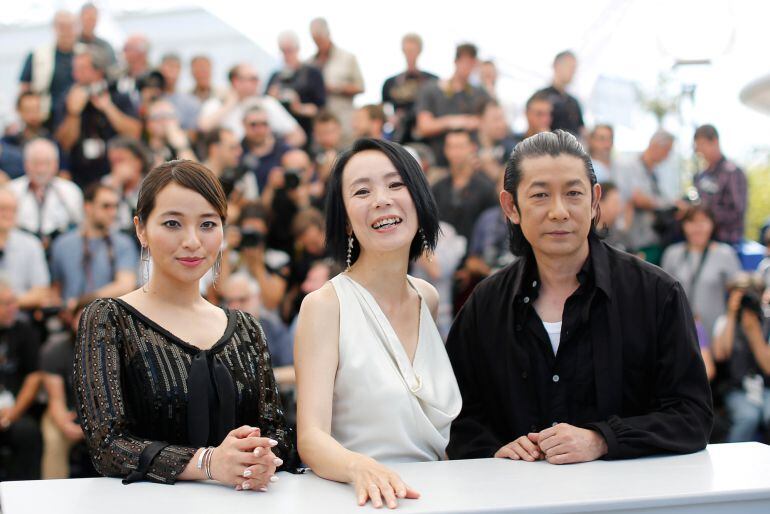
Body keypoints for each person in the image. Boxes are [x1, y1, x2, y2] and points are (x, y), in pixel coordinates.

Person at [446, 130, 712, 462]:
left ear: (594, 201)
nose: (559, 211)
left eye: (573, 193)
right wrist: (494, 448)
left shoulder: (656, 294)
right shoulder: (485, 305)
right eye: (540, 195)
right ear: (511, 206)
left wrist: (603, 439)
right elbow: (456, 416)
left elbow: (691, 416)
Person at [74, 160, 294, 489]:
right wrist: (208, 462)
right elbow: (108, 446)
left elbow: (279, 435)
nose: (192, 241)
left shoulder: (246, 328)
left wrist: (260, 455)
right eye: (173, 223)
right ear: (141, 229)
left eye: (207, 224)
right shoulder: (108, 318)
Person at [295, 138, 462, 509]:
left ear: (418, 198)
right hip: (358, 499)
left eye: (395, 184)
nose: (382, 199)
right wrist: (360, 468)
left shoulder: (427, 298)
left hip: (433, 497)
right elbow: (310, 436)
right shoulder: (325, 305)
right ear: (346, 221)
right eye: (362, 191)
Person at [54, 44, 141, 188]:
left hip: (114, 171)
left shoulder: (118, 95)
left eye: (82, 69)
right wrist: (73, 113)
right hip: (79, 174)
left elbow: (134, 132)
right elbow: (64, 143)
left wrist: (108, 108)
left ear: (98, 71)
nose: (75, 75)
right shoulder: (68, 98)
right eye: (74, 69)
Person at [49, 183, 138, 308]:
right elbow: (55, 288)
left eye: (115, 206)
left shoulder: (123, 243)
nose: (113, 212)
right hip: (69, 320)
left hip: (108, 318)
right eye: (106, 206)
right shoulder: (62, 244)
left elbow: (125, 286)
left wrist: (82, 303)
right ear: (88, 207)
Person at [661, 205, 741, 338]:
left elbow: (737, 292)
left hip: (715, 333)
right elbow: (663, 294)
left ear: (712, 224)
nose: (697, 228)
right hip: (680, 329)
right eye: (692, 222)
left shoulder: (725, 254)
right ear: (684, 225)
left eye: (703, 221)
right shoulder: (672, 254)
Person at [711, 273, 770, 442]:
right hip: (737, 388)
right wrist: (731, 314)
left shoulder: (767, 321)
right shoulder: (724, 321)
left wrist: (754, 331)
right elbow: (721, 354)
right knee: (748, 417)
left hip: (766, 387)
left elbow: (768, 367)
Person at [415, 43, 490, 166]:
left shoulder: (480, 93)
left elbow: (490, 123)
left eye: (472, 63)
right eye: (465, 61)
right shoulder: (432, 89)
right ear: (456, 61)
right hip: (440, 163)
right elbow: (424, 126)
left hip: (472, 163)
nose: (468, 67)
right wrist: (455, 121)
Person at [198, 63, 306, 147]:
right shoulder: (217, 103)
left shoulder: (267, 103)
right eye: (253, 79)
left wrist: (273, 151)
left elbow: (298, 136)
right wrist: (229, 104)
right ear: (236, 81)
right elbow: (204, 127)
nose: (258, 83)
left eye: (257, 79)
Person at [0, 279, 44, 480]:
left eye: (14, 302)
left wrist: (14, 413)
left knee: (28, 433)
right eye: (7, 304)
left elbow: (34, 376)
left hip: (15, 410)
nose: (14, 308)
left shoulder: (24, 331)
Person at [9, 138, 83, 249]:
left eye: (47, 163)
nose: (41, 169)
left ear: (56, 164)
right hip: (20, 249)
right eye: (36, 163)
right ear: (25, 164)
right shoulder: (11, 191)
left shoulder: (70, 191)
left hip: (59, 248)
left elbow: (79, 226)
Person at [617, 130, 677, 264]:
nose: (668, 156)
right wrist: (666, 205)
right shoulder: (629, 165)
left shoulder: (655, 172)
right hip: (632, 239)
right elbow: (638, 198)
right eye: (667, 150)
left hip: (652, 236)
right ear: (655, 146)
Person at [431, 130, 497, 243]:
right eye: (451, 147)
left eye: (460, 146)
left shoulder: (486, 188)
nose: (456, 152)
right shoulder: (438, 187)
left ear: (472, 148)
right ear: (445, 150)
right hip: (444, 252)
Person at [308, 18, 364, 146]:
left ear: (328, 34)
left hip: (344, 123)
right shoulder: (310, 63)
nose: (318, 43)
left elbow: (360, 87)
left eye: (320, 39)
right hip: (319, 126)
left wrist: (335, 88)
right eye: (315, 40)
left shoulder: (347, 58)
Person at [267, 31, 326, 145]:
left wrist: (298, 107)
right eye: (283, 51)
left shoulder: (312, 73)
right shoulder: (275, 76)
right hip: (280, 137)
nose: (286, 55)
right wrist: (272, 97)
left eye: (289, 50)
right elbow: (265, 103)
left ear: (297, 49)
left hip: (307, 131)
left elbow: (320, 108)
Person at [19, 11, 77, 124]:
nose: (66, 31)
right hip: (45, 117)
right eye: (62, 26)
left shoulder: (85, 54)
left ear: (77, 28)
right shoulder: (37, 55)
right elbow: (24, 89)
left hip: (78, 116)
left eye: (70, 26)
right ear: (54, 28)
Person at [693, 124, 747, 245]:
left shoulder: (732, 172)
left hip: (727, 240)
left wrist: (707, 216)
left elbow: (738, 211)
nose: (700, 150)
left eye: (703, 144)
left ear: (715, 141)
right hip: (703, 240)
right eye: (697, 146)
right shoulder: (701, 175)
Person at [0, 187, 52, 310]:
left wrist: (6, 304)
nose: (8, 214)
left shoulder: (31, 244)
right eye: (2, 209)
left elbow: (41, 292)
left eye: (13, 210)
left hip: (19, 318)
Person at [381, 33, 437, 144]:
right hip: (399, 134)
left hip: (426, 136)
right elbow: (384, 108)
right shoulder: (390, 83)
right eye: (407, 50)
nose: (410, 54)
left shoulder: (432, 81)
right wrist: (391, 118)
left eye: (413, 50)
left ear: (419, 51)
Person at [535, 51, 584, 137]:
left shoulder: (574, 102)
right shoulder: (541, 97)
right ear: (556, 66)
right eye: (569, 67)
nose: (573, 72)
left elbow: (582, 130)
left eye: (574, 68)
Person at [158, 53, 202, 131]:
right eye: (168, 67)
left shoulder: (191, 101)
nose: (171, 72)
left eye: (175, 68)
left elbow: (193, 131)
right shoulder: (152, 96)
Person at [78, 3, 117, 68]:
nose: (89, 22)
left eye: (92, 18)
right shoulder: (70, 44)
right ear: (80, 18)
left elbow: (112, 69)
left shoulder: (105, 47)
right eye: (87, 18)